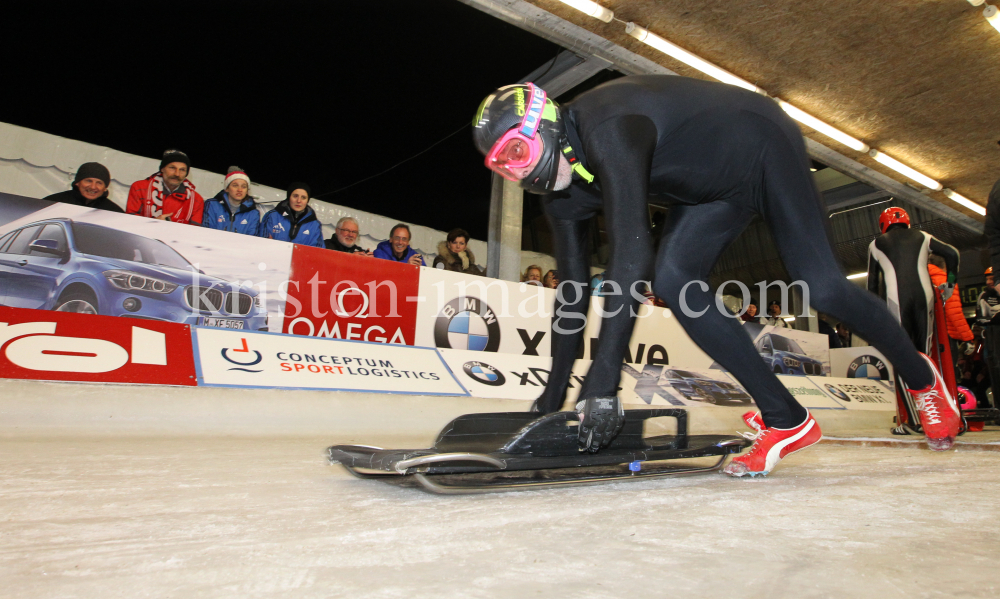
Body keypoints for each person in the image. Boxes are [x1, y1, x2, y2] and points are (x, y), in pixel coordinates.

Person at [472, 75, 959, 476]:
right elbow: (573, 295)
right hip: (712, 191)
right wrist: (551, 399)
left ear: (549, 125)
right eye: (505, 169)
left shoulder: (609, 128)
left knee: (822, 286)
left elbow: (629, 262)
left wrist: (600, 388)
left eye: (519, 152)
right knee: (675, 283)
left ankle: (921, 378)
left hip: (763, 144)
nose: (523, 173)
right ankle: (785, 418)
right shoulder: (561, 193)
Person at [866, 207, 961, 435]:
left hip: (895, 301)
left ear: (882, 225)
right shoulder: (923, 236)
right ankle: (936, 416)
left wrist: (876, 317)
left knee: (902, 358)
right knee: (925, 357)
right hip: (924, 299)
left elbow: (871, 285)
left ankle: (912, 421)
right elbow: (952, 254)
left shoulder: (876, 244)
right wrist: (950, 283)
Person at [126, 149, 204, 225]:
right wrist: (152, 224)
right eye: (172, 168)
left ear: (186, 174)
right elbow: (129, 221)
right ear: (162, 169)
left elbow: (194, 232)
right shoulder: (140, 188)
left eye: (182, 170)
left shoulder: (196, 200)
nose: (177, 174)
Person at [927, 254, 973, 380]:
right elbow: (954, 312)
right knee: (948, 375)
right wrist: (968, 338)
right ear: (945, 265)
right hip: (944, 336)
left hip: (925, 335)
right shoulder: (946, 281)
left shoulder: (920, 279)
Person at [259, 183, 325, 247]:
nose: (299, 200)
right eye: (295, 196)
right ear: (289, 197)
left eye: (303, 197)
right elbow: (261, 245)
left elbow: (317, 253)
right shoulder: (272, 216)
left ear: (307, 201)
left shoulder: (315, 225)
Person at [201, 167, 261, 236]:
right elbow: (206, 233)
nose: (239, 190)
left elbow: (251, 240)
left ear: (247, 191)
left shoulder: (253, 213)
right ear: (227, 188)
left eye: (244, 187)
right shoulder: (212, 205)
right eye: (235, 185)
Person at [43, 162, 124, 213]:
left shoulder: (115, 212)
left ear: (105, 188)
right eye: (88, 181)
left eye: (99, 183)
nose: (93, 187)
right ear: (77, 183)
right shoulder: (52, 202)